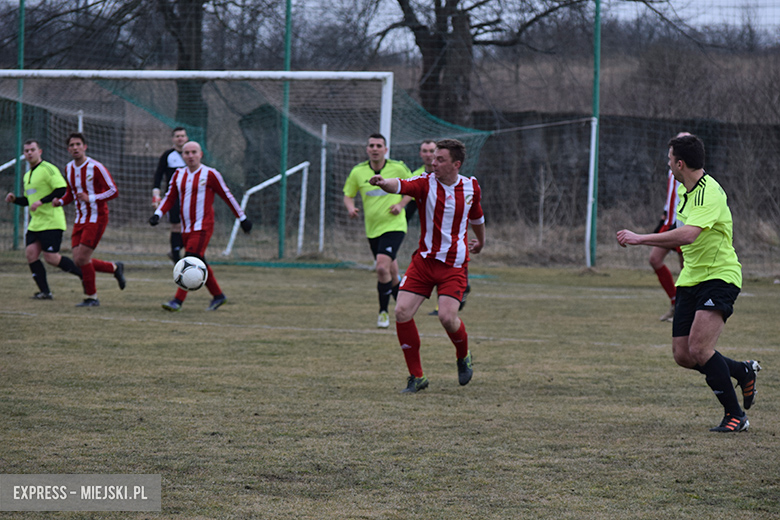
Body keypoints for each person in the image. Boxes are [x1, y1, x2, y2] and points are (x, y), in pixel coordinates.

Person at [617, 134, 761, 432]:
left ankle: (736, 416)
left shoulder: (710, 193)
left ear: (679, 163)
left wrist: (640, 238)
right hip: (691, 279)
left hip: (719, 277)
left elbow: (688, 235)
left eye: (670, 159)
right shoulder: (685, 191)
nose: (668, 164)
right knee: (683, 355)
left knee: (699, 348)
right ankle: (743, 371)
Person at [369, 138, 485, 393]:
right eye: (433, 158)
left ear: (456, 164)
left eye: (440, 159)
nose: (433, 162)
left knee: (446, 317)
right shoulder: (424, 182)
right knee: (401, 312)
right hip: (423, 262)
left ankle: (463, 355)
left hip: (454, 264)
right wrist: (382, 182)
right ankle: (417, 377)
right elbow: (399, 185)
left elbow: (477, 216)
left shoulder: (470, 187)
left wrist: (481, 242)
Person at [149, 141, 252, 312]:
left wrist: (242, 218)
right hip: (186, 227)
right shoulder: (178, 175)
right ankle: (218, 296)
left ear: (200, 154)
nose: (190, 156)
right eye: (186, 153)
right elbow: (169, 197)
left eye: (193, 152)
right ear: (182, 155)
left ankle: (177, 301)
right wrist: (158, 214)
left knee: (189, 260)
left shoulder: (210, 174)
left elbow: (227, 196)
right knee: (200, 261)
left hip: (203, 226)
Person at [343, 133, 413, 328]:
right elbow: (348, 195)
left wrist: (401, 204)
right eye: (371, 145)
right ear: (367, 149)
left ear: (386, 149)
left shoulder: (397, 168)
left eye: (379, 145)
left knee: (382, 267)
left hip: (394, 226)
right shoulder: (358, 172)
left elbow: (413, 188)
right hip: (372, 230)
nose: (375, 148)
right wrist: (350, 208)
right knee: (391, 272)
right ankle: (404, 308)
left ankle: (383, 313)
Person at [53, 132, 126, 307]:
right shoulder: (69, 168)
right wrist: (61, 201)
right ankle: (114, 268)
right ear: (68, 149)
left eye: (78, 144)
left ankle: (92, 297)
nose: (75, 148)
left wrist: (91, 198)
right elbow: (71, 193)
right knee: (78, 260)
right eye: (71, 145)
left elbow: (113, 191)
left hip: (97, 218)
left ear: (84, 147)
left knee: (83, 259)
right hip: (80, 219)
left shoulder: (96, 167)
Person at [5, 139, 82, 299]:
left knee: (52, 258)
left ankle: (84, 274)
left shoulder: (48, 169)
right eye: (26, 151)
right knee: (31, 254)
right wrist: (15, 200)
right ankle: (45, 292)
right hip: (36, 223)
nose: (29, 153)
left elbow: (62, 189)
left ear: (39, 151)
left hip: (52, 221)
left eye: (32, 150)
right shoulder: (27, 176)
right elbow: (29, 201)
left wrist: (42, 201)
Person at [651, 132, 688, 322]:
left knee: (686, 269)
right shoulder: (672, 169)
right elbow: (671, 197)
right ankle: (675, 302)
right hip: (669, 223)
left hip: (681, 225)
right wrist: (664, 216)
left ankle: (684, 309)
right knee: (654, 259)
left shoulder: (690, 172)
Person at [152, 127, 188, 263]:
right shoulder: (168, 155)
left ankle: (181, 249)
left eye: (182, 136)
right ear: (173, 139)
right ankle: (177, 256)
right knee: (176, 226)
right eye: (177, 136)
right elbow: (159, 175)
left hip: (189, 196)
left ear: (186, 138)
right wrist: (156, 193)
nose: (180, 138)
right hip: (174, 197)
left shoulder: (191, 155)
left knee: (191, 225)